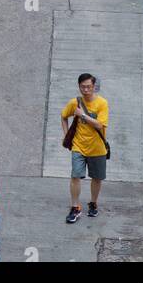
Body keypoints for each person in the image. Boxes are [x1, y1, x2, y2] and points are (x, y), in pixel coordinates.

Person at [61, 73, 109, 222]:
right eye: (83, 87)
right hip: (79, 146)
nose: (86, 90)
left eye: (88, 87)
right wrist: (66, 135)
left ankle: (93, 203)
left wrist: (82, 115)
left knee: (97, 178)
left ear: (94, 87)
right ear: (79, 87)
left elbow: (99, 125)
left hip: (97, 148)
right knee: (75, 176)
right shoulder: (74, 102)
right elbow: (63, 116)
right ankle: (75, 207)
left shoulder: (102, 103)